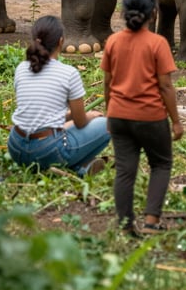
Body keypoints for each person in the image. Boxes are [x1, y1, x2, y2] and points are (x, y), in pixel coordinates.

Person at [101, 0, 183, 236]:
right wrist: (176, 121)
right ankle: (150, 221)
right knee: (161, 163)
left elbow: (107, 82)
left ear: (124, 11)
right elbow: (166, 86)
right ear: (154, 13)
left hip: (118, 115)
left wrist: (109, 112)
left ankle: (126, 224)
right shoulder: (157, 43)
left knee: (125, 170)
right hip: (150, 116)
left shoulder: (113, 41)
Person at [7, 15, 110, 174]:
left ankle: (70, 167)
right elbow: (81, 122)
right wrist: (91, 115)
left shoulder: (21, 68)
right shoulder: (69, 73)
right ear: (61, 41)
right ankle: (78, 168)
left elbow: (38, 110)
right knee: (107, 126)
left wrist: (67, 117)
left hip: (16, 147)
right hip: (47, 149)